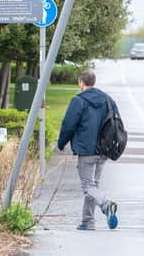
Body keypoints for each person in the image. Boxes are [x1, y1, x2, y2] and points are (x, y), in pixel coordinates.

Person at [57, 69, 119, 230]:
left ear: (81, 83)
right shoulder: (108, 100)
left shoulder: (78, 101)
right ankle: (88, 221)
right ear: (93, 82)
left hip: (86, 150)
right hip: (104, 150)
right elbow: (117, 122)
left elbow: (68, 125)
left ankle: (106, 204)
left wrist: (61, 143)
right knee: (93, 186)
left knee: (88, 187)